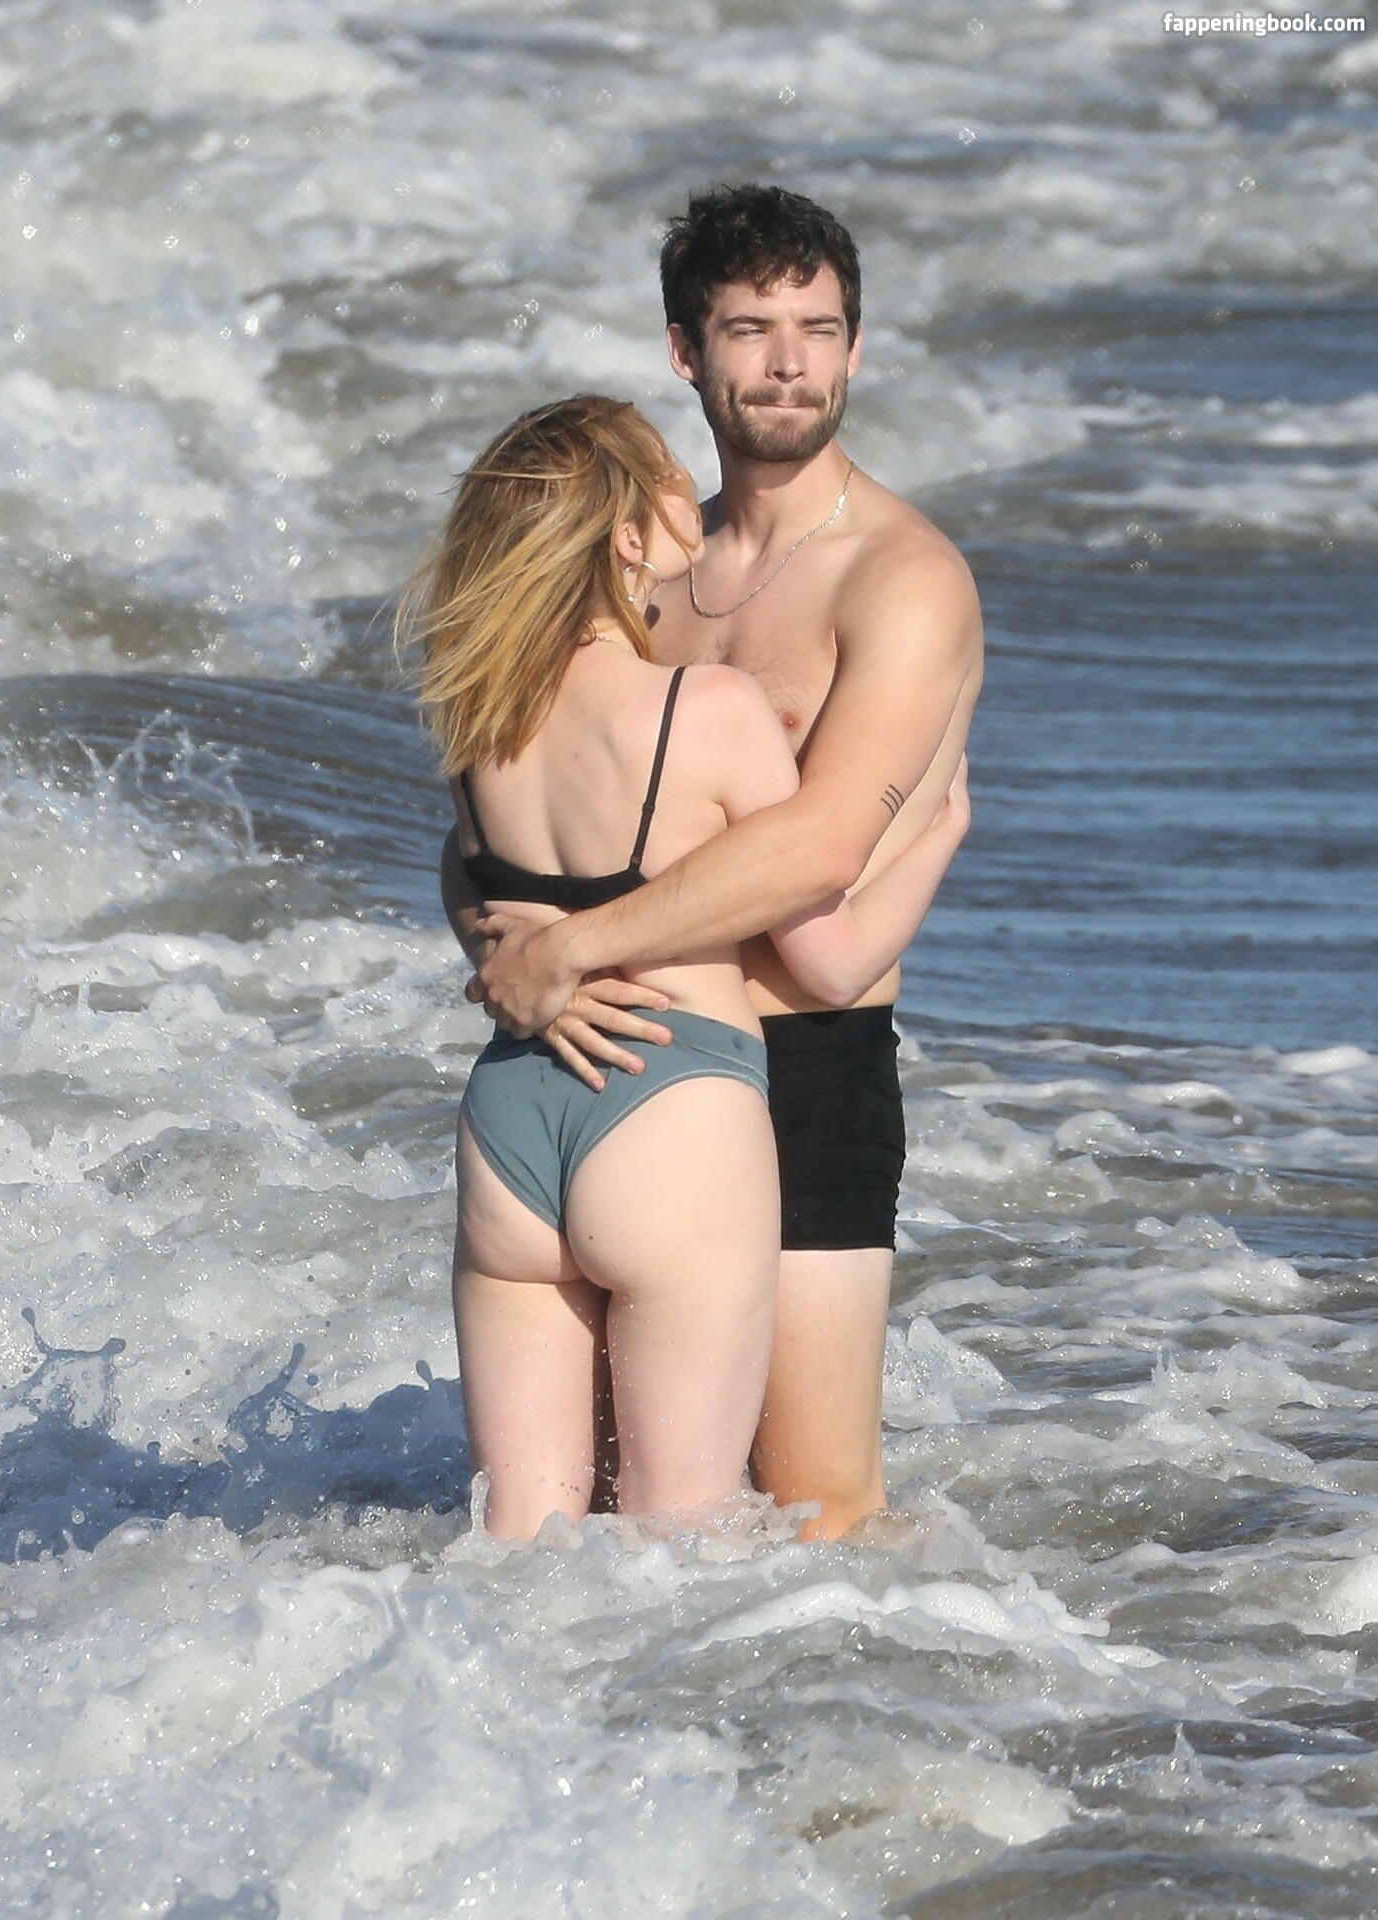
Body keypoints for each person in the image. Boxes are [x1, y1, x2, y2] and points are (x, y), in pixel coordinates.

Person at [463, 186, 984, 1542]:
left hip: (804, 1064)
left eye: (821, 328)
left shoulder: (899, 577)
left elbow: (817, 851)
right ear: (686, 350)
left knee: (814, 1514)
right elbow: (489, 827)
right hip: (611, 1050)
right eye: (752, 329)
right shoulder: (642, 562)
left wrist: (570, 948)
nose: (791, 362)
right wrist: (512, 958)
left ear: (856, 345)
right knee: (601, 1528)